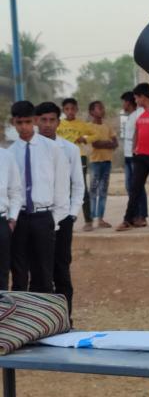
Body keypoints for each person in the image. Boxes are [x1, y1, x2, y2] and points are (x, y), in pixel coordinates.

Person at [9, 100, 70, 293]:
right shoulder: (10, 153)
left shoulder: (52, 149)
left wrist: (54, 219)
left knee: (43, 273)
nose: (24, 127)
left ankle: (43, 320)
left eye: (28, 122)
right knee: (19, 273)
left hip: (44, 217)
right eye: (20, 123)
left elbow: (61, 187)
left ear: (34, 120)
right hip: (19, 217)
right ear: (13, 123)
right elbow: (10, 189)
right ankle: (20, 320)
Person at [35, 101, 85, 320]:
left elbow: (78, 184)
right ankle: (39, 321)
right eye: (43, 120)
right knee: (36, 270)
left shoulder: (70, 149)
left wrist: (72, 214)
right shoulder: (29, 150)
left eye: (51, 120)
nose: (47, 125)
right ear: (36, 121)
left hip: (62, 218)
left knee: (61, 270)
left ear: (58, 122)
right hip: (35, 218)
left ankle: (65, 320)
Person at [116, 83, 149, 231]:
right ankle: (127, 220)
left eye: (136, 98)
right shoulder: (138, 113)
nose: (135, 101)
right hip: (140, 156)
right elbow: (137, 131)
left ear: (143, 97)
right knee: (135, 188)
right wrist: (134, 149)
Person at [58, 97, 96, 231]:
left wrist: (84, 139)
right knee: (64, 189)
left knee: (82, 188)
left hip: (80, 158)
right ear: (63, 110)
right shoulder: (59, 124)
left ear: (77, 110)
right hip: (62, 159)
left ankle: (88, 221)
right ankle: (66, 220)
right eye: (67, 109)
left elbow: (94, 135)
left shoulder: (81, 124)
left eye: (72, 109)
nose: (70, 111)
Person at [87, 100, 118, 229]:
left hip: (107, 162)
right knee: (93, 191)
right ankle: (91, 218)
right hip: (95, 162)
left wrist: (103, 143)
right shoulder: (88, 127)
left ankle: (100, 219)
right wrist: (107, 143)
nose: (102, 110)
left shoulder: (107, 126)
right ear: (92, 112)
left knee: (103, 191)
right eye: (99, 108)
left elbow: (115, 143)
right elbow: (95, 144)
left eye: (103, 108)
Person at [120, 91, 148, 226]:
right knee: (129, 186)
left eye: (123, 102)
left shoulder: (139, 114)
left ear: (128, 102)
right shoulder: (130, 116)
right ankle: (135, 214)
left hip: (135, 155)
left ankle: (142, 215)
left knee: (138, 187)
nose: (122, 105)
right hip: (127, 156)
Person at [0, 146, 23, 290]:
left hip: (1, 222)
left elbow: (15, 191)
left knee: (1, 274)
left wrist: (12, 219)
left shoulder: (6, 156)